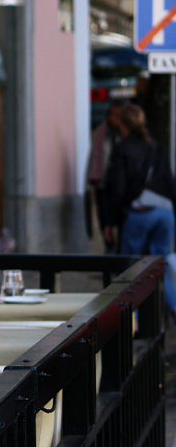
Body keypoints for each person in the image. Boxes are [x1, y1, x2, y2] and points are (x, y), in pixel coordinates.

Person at [104, 103, 176, 315]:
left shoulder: (122, 148)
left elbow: (118, 188)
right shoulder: (157, 147)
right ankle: (172, 308)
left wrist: (111, 221)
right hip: (165, 211)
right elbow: (169, 181)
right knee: (160, 265)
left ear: (123, 125)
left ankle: (132, 319)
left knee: (131, 268)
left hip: (140, 211)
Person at [86, 101, 123, 252]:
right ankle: (109, 248)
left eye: (117, 115)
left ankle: (116, 248)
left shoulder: (125, 136)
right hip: (103, 183)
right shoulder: (100, 133)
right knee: (104, 218)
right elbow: (94, 158)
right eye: (111, 114)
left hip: (120, 185)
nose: (113, 118)